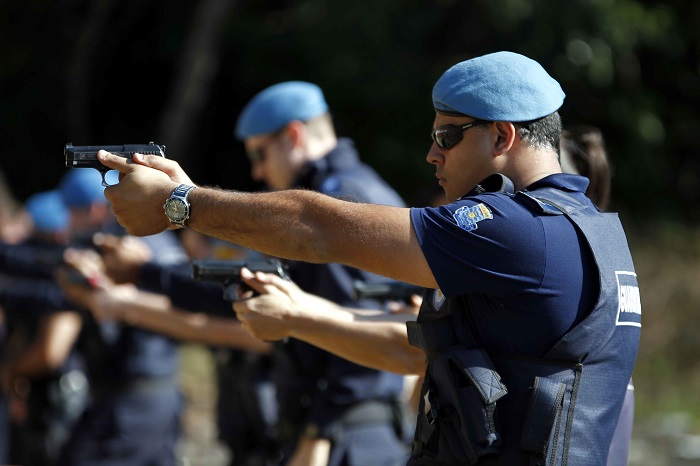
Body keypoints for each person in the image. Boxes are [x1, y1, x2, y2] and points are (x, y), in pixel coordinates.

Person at [97, 51, 642, 465]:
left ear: (502, 136)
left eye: (447, 136)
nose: (432, 153)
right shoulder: (585, 231)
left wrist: (180, 205)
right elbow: (422, 353)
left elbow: (318, 229)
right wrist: (300, 317)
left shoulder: (520, 232)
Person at [52, 168, 189, 466]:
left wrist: (107, 295)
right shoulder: (151, 241)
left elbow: (185, 310)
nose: (68, 224)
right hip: (149, 393)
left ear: (95, 209)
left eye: (73, 213)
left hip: (136, 394)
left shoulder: (135, 249)